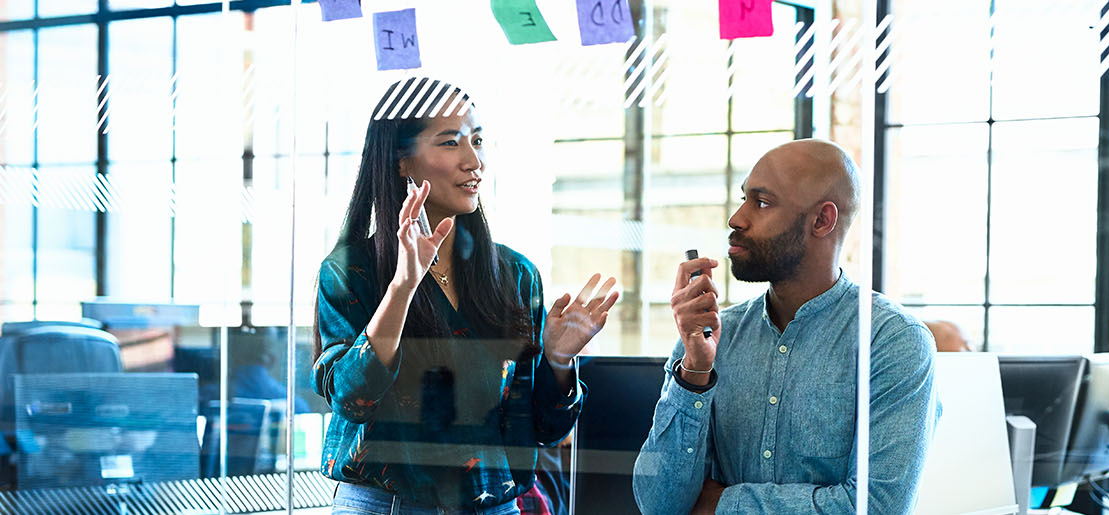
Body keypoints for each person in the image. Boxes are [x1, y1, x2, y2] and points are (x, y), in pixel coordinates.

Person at [311, 77, 618, 515]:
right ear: (402, 162)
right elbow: (353, 399)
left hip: (493, 504)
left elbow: (546, 429)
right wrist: (403, 286)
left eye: (477, 140)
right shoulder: (350, 271)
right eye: (451, 143)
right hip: (388, 504)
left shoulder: (515, 275)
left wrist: (558, 360)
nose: (474, 161)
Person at [631, 139, 939, 514]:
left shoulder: (892, 342)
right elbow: (659, 505)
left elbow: (877, 507)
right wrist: (694, 372)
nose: (736, 219)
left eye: (762, 203)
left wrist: (721, 505)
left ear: (822, 220)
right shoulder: (709, 337)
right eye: (744, 198)